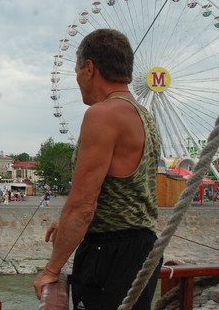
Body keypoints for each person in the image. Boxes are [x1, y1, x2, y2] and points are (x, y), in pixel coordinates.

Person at [33, 29, 161, 310]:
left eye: (76, 70)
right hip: (143, 251)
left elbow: (83, 205)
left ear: (89, 68)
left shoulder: (103, 115)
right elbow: (125, 192)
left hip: (110, 254)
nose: (77, 79)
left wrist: (51, 270)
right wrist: (67, 227)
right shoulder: (143, 115)